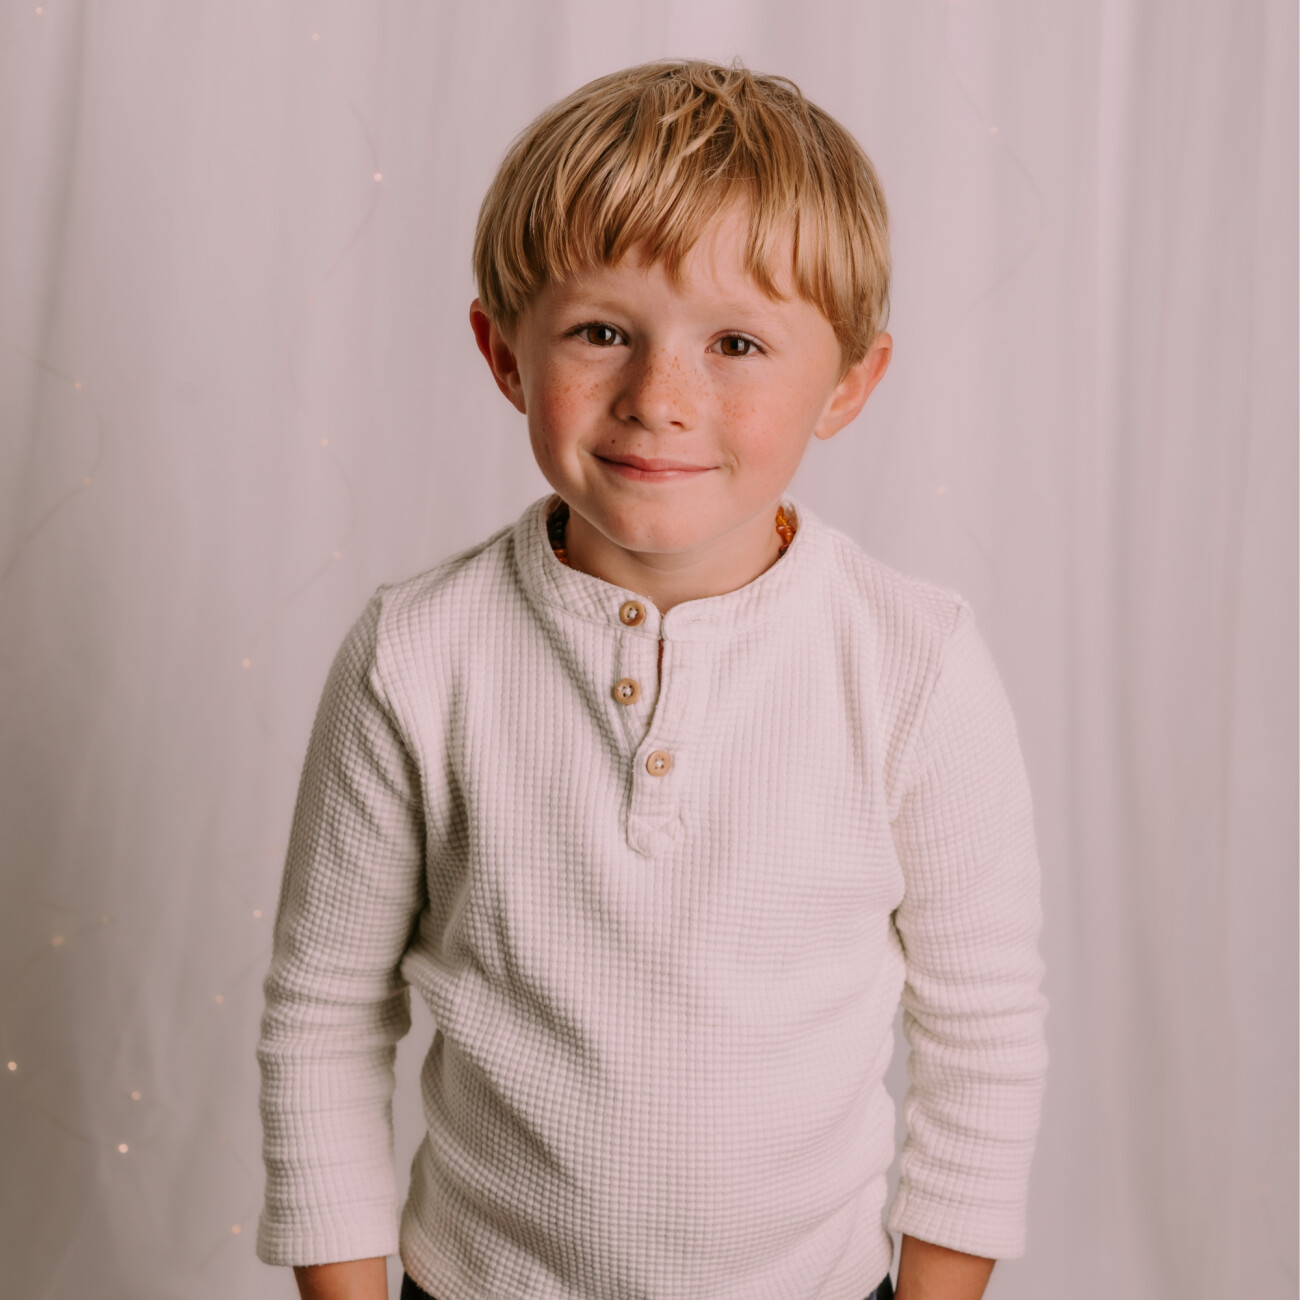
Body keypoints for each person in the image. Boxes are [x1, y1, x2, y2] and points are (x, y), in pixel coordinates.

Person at [255, 59, 1048, 1300]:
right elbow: (324, 1016)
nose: (659, 399)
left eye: (736, 342)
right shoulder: (416, 654)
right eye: (601, 332)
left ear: (848, 383)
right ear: (503, 353)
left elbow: (982, 1033)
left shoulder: (915, 663)